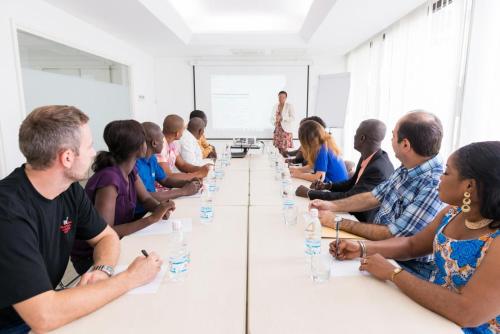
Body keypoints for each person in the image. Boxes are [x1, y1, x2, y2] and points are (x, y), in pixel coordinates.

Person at [0, 106, 162, 333]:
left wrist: (102, 269)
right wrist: (130, 278)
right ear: (67, 157)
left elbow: (106, 236)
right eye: (88, 146)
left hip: (41, 306)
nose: (94, 152)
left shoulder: (68, 190)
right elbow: (44, 316)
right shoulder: (8, 213)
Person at [330, 141, 500, 333]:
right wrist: (361, 248)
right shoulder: (452, 213)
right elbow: (412, 245)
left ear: (469, 186)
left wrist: (393, 273)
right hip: (434, 310)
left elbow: (468, 313)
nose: (439, 179)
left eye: (446, 172)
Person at [311, 110, 444, 279]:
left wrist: (337, 222)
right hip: (378, 252)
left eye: (393, 135)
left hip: (405, 268)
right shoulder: (408, 167)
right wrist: (332, 206)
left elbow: (393, 234)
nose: (389, 140)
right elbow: (373, 196)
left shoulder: (434, 184)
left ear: (405, 145)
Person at [71, 120, 175, 275]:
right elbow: (105, 232)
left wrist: (159, 208)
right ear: (139, 147)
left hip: (119, 242)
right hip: (94, 257)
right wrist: (151, 219)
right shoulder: (109, 180)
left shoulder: (130, 170)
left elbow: (146, 199)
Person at [296, 119, 394, 222]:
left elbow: (350, 197)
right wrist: (328, 186)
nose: (354, 136)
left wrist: (310, 193)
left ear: (362, 138)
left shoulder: (377, 169)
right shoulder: (368, 157)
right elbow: (351, 184)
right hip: (352, 211)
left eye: (356, 133)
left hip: (361, 221)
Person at [135, 122, 202, 218]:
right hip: (139, 215)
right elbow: (147, 196)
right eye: (162, 139)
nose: (164, 142)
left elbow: (165, 180)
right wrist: (183, 191)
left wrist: (187, 182)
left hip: (152, 208)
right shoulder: (136, 165)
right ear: (154, 143)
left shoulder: (152, 158)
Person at [157, 114, 210, 181]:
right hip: (162, 189)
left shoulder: (171, 143)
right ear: (177, 133)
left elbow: (182, 165)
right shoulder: (160, 147)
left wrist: (201, 169)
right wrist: (198, 174)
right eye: (183, 129)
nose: (184, 132)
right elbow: (168, 176)